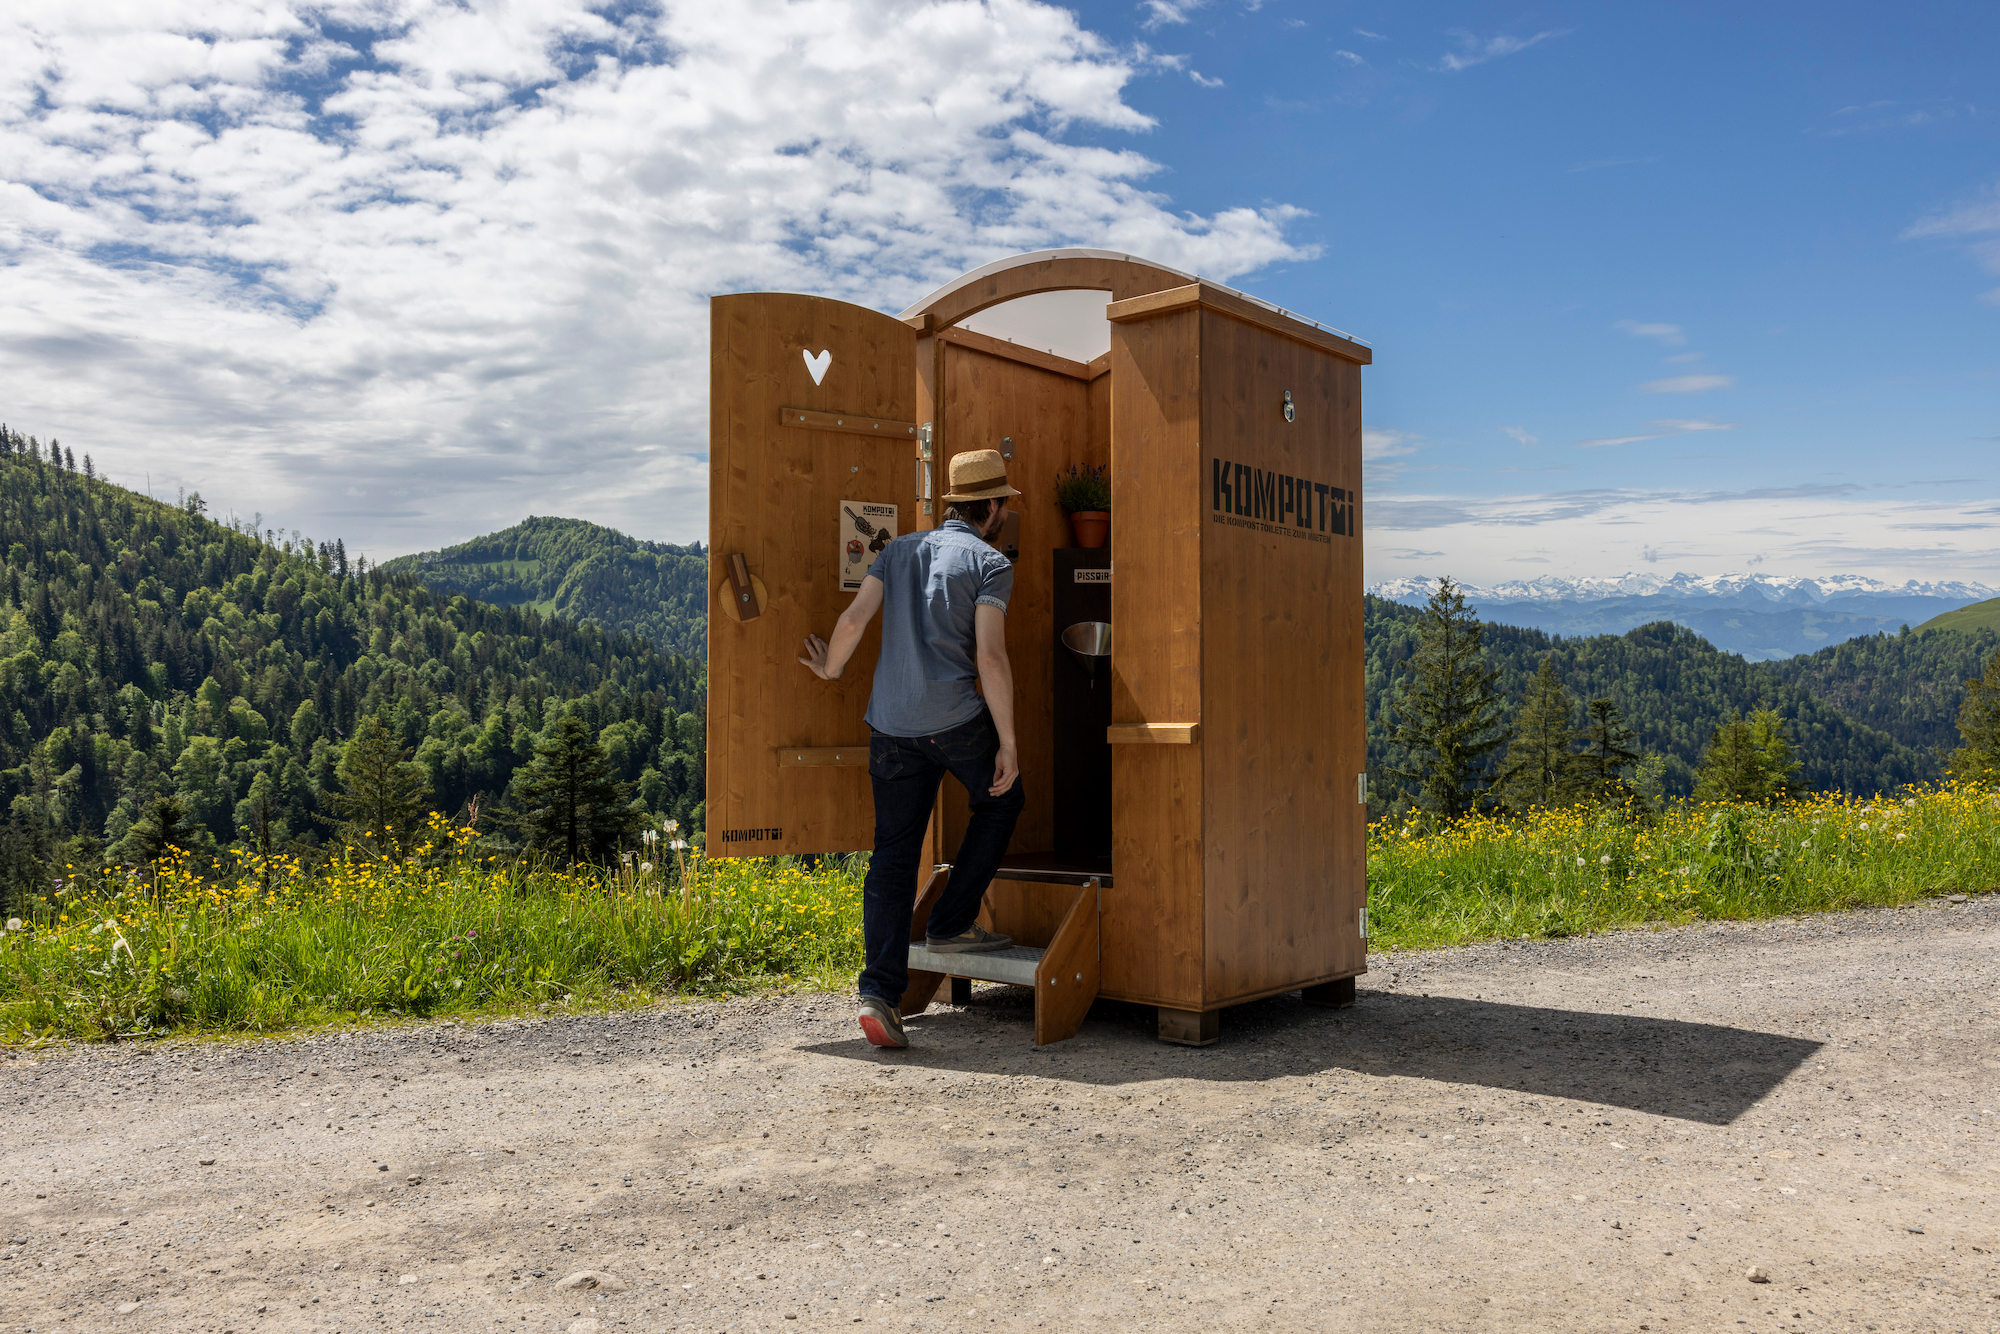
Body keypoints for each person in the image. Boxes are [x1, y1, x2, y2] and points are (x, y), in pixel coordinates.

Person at [798, 448, 1026, 1049]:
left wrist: (830, 673)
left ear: (951, 503)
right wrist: (1008, 743)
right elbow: (991, 658)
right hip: (954, 721)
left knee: (894, 855)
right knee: (1003, 799)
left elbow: (852, 622)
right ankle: (951, 924)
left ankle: (879, 992)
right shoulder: (991, 563)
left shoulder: (895, 550)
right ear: (994, 508)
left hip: (891, 725)